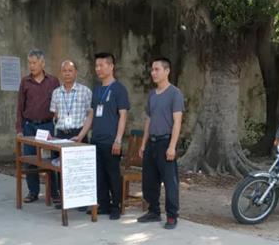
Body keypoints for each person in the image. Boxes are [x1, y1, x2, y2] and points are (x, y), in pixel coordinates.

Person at [76, 52, 129, 220]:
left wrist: (118, 140)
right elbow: (91, 114)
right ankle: (103, 204)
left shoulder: (119, 89)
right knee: (99, 175)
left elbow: (123, 116)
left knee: (113, 174)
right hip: (96, 140)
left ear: (111, 66)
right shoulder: (97, 89)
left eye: (101, 65)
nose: (98, 69)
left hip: (111, 141)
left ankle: (116, 206)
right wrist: (81, 135)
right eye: (96, 66)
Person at [138, 57, 184, 230]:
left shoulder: (175, 93)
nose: (153, 73)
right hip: (152, 142)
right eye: (152, 69)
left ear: (167, 71)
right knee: (149, 180)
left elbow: (177, 122)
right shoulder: (152, 94)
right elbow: (148, 120)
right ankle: (153, 211)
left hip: (166, 142)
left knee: (170, 181)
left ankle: (172, 216)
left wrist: (172, 146)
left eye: (157, 69)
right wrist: (143, 143)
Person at [16, 49, 60, 203]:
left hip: (47, 126)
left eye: (34, 63)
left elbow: (58, 104)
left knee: (51, 160)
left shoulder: (53, 81)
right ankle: (33, 191)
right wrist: (19, 129)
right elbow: (20, 106)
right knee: (30, 160)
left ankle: (54, 192)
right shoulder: (25, 82)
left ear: (42, 63)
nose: (31, 66)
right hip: (29, 126)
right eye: (30, 63)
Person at [49, 60, 92, 208]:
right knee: (62, 168)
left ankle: (82, 201)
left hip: (78, 133)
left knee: (80, 168)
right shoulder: (56, 93)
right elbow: (55, 115)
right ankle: (65, 199)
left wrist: (82, 134)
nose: (67, 73)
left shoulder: (85, 91)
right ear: (61, 73)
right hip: (61, 134)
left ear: (76, 73)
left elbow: (90, 114)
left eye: (70, 70)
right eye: (64, 71)